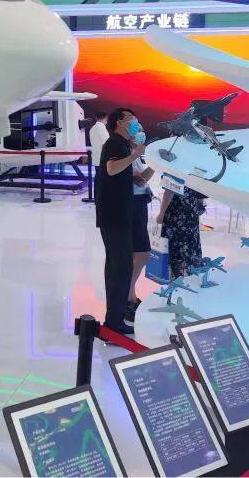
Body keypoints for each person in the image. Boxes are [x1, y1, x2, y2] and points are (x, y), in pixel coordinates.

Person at [95, 108, 146, 334]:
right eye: (131, 118)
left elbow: (131, 178)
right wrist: (135, 154)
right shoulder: (115, 143)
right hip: (114, 216)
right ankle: (114, 322)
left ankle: (114, 318)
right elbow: (112, 168)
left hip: (120, 215)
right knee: (120, 268)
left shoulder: (123, 145)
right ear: (119, 122)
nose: (135, 122)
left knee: (119, 266)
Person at [126, 155, 154, 326]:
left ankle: (130, 295)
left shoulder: (133, 153)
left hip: (138, 201)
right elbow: (139, 181)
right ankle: (127, 296)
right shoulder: (126, 152)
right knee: (142, 253)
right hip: (133, 203)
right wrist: (157, 165)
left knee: (136, 254)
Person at [157, 186, 206, 279]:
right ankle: (190, 277)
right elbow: (201, 191)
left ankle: (176, 278)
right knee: (190, 247)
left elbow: (169, 190)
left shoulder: (176, 174)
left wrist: (162, 213)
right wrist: (199, 205)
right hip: (191, 213)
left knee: (175, 249)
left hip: (175, 213)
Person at [89, 111, 109, 199]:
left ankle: (97, 198)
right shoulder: (101, 128)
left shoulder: (92, 128)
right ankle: (100, 198)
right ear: (105, 118)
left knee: (98, 178)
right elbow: (106, 144)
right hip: (103, 158)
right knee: (102, 179)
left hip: (97, 157)